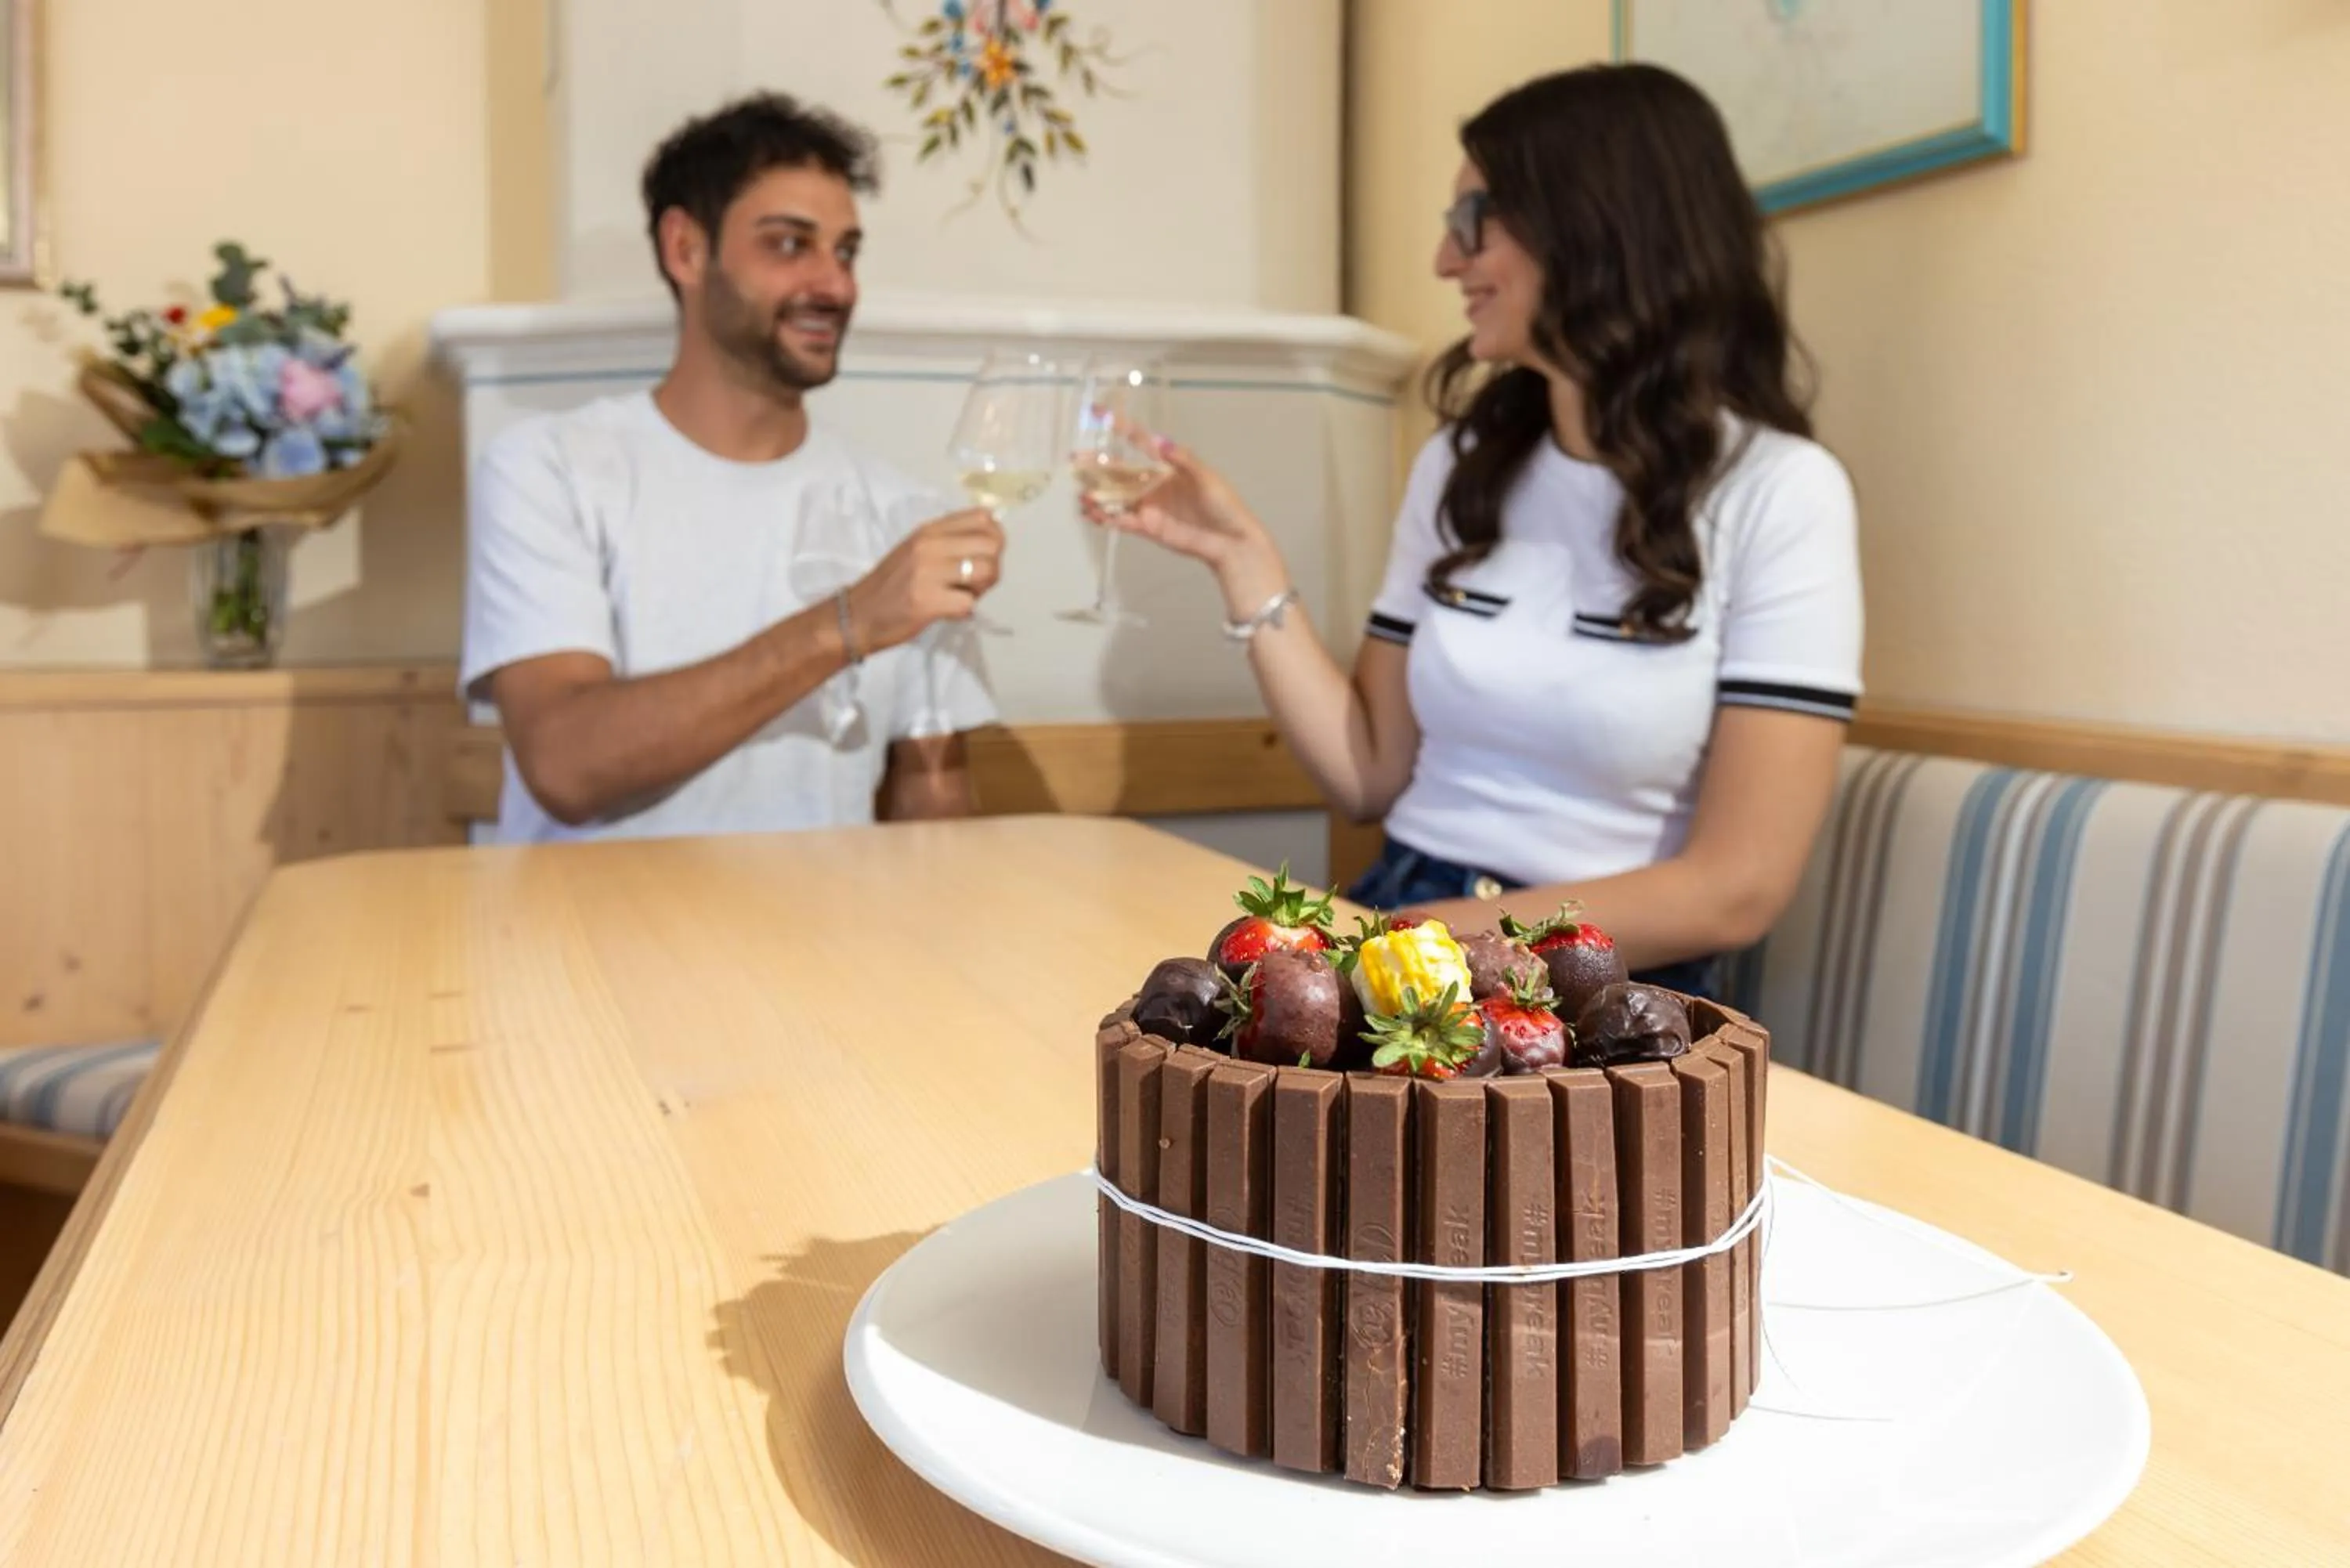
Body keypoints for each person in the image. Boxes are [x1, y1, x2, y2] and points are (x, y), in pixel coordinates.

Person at [1091, 64, 1862, 1000]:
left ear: (1592, 227)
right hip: (1408, 912)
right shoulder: (1465, 463)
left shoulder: (1780, 493)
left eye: (1472, 221)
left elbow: (1735, 892)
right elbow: (1370, 773)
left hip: (1600, 979)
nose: (1444, 263)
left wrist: (1410, 938)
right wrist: (1240, 557)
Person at [461, 94, 1006, 844]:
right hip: (587, 952)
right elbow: (564, 765)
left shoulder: (902, 515)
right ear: (685, 249)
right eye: (791, 245)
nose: (836, 284)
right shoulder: (549, 469)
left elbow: (934, 801)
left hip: (825, 952)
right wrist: (850, 623)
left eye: (846, 252)